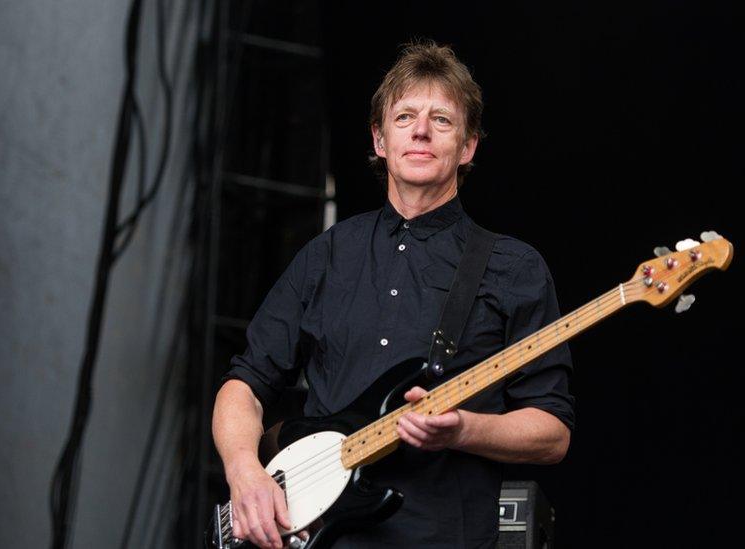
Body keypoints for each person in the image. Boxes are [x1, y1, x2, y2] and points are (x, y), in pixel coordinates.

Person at [211, 39, 574, 549]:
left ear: (467, 147)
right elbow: (244, 386)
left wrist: (463, 429)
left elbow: (552, 433)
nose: (421, 130)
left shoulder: (513, 268)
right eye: (404, 117)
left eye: (441, 120)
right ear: (380, 140)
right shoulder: (327, 254)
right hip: (319, 537)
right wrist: (244, 471)